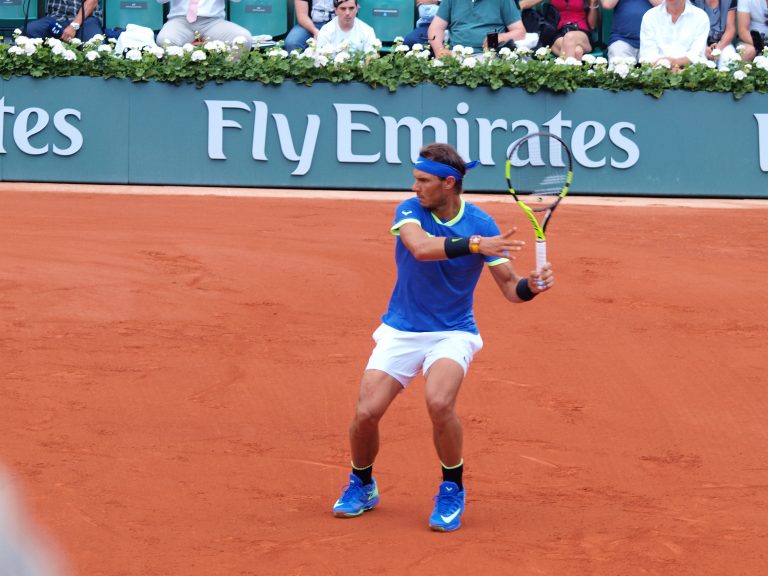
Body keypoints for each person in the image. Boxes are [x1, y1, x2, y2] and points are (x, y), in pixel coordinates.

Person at [331, 143, 555, 532]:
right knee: (366, 413)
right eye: (415, 179)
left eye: (423, 181)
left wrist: (532, 286)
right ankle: (362, 484)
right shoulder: (410, 211)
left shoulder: (481, 223)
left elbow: (509, 288)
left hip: (453, 332)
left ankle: (452, 487)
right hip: (402, 329)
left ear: (448, 184)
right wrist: (473, 245)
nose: (415, 187)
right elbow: (419, 248)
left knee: (438, 402)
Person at [428, 0, 527, 56]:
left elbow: (520, 31)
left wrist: (499, 38)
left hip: (490, 56)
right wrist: (439, 50)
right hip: (456, 54)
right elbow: (436, 28)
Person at [155, 0, 253, 50]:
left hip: (213, 22)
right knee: (165, 40)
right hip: (180, 21)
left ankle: (225, 73)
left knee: (244, 39)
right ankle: (183, 77)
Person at [639, 0, 710, 67]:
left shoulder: (701, 17)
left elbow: (697, 54)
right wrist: (668, 67)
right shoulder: (650, 16)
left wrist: (675, 63)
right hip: (657, 71)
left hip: (690, 71)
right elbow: (648, 54)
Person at [522, 0, 600, 60]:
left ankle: (563, 79)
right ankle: (571, 80)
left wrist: (593, 4)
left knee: (569, 37)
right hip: (558, 33)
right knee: (577, 51)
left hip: (580, 33)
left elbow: (592, 25)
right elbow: (523, 5)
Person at [601, 0, 661, 65]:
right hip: (622, 39)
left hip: (652, 40)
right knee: (620, 69)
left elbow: (665, 5)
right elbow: (607, 4)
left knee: (656, 72)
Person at [23, 0, 104, 42]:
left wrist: (74, 25)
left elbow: (92, 1)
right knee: (23, 35)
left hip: (86, 19)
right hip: (56, 17)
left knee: (96, 45)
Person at [690, 0, 739, 69]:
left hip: (722, 43)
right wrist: (703, 48)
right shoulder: (692, 1)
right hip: (698, 43)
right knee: (697, 63)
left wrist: (717, 49)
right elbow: (690, 30)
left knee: (730, 60)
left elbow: (730, 29)